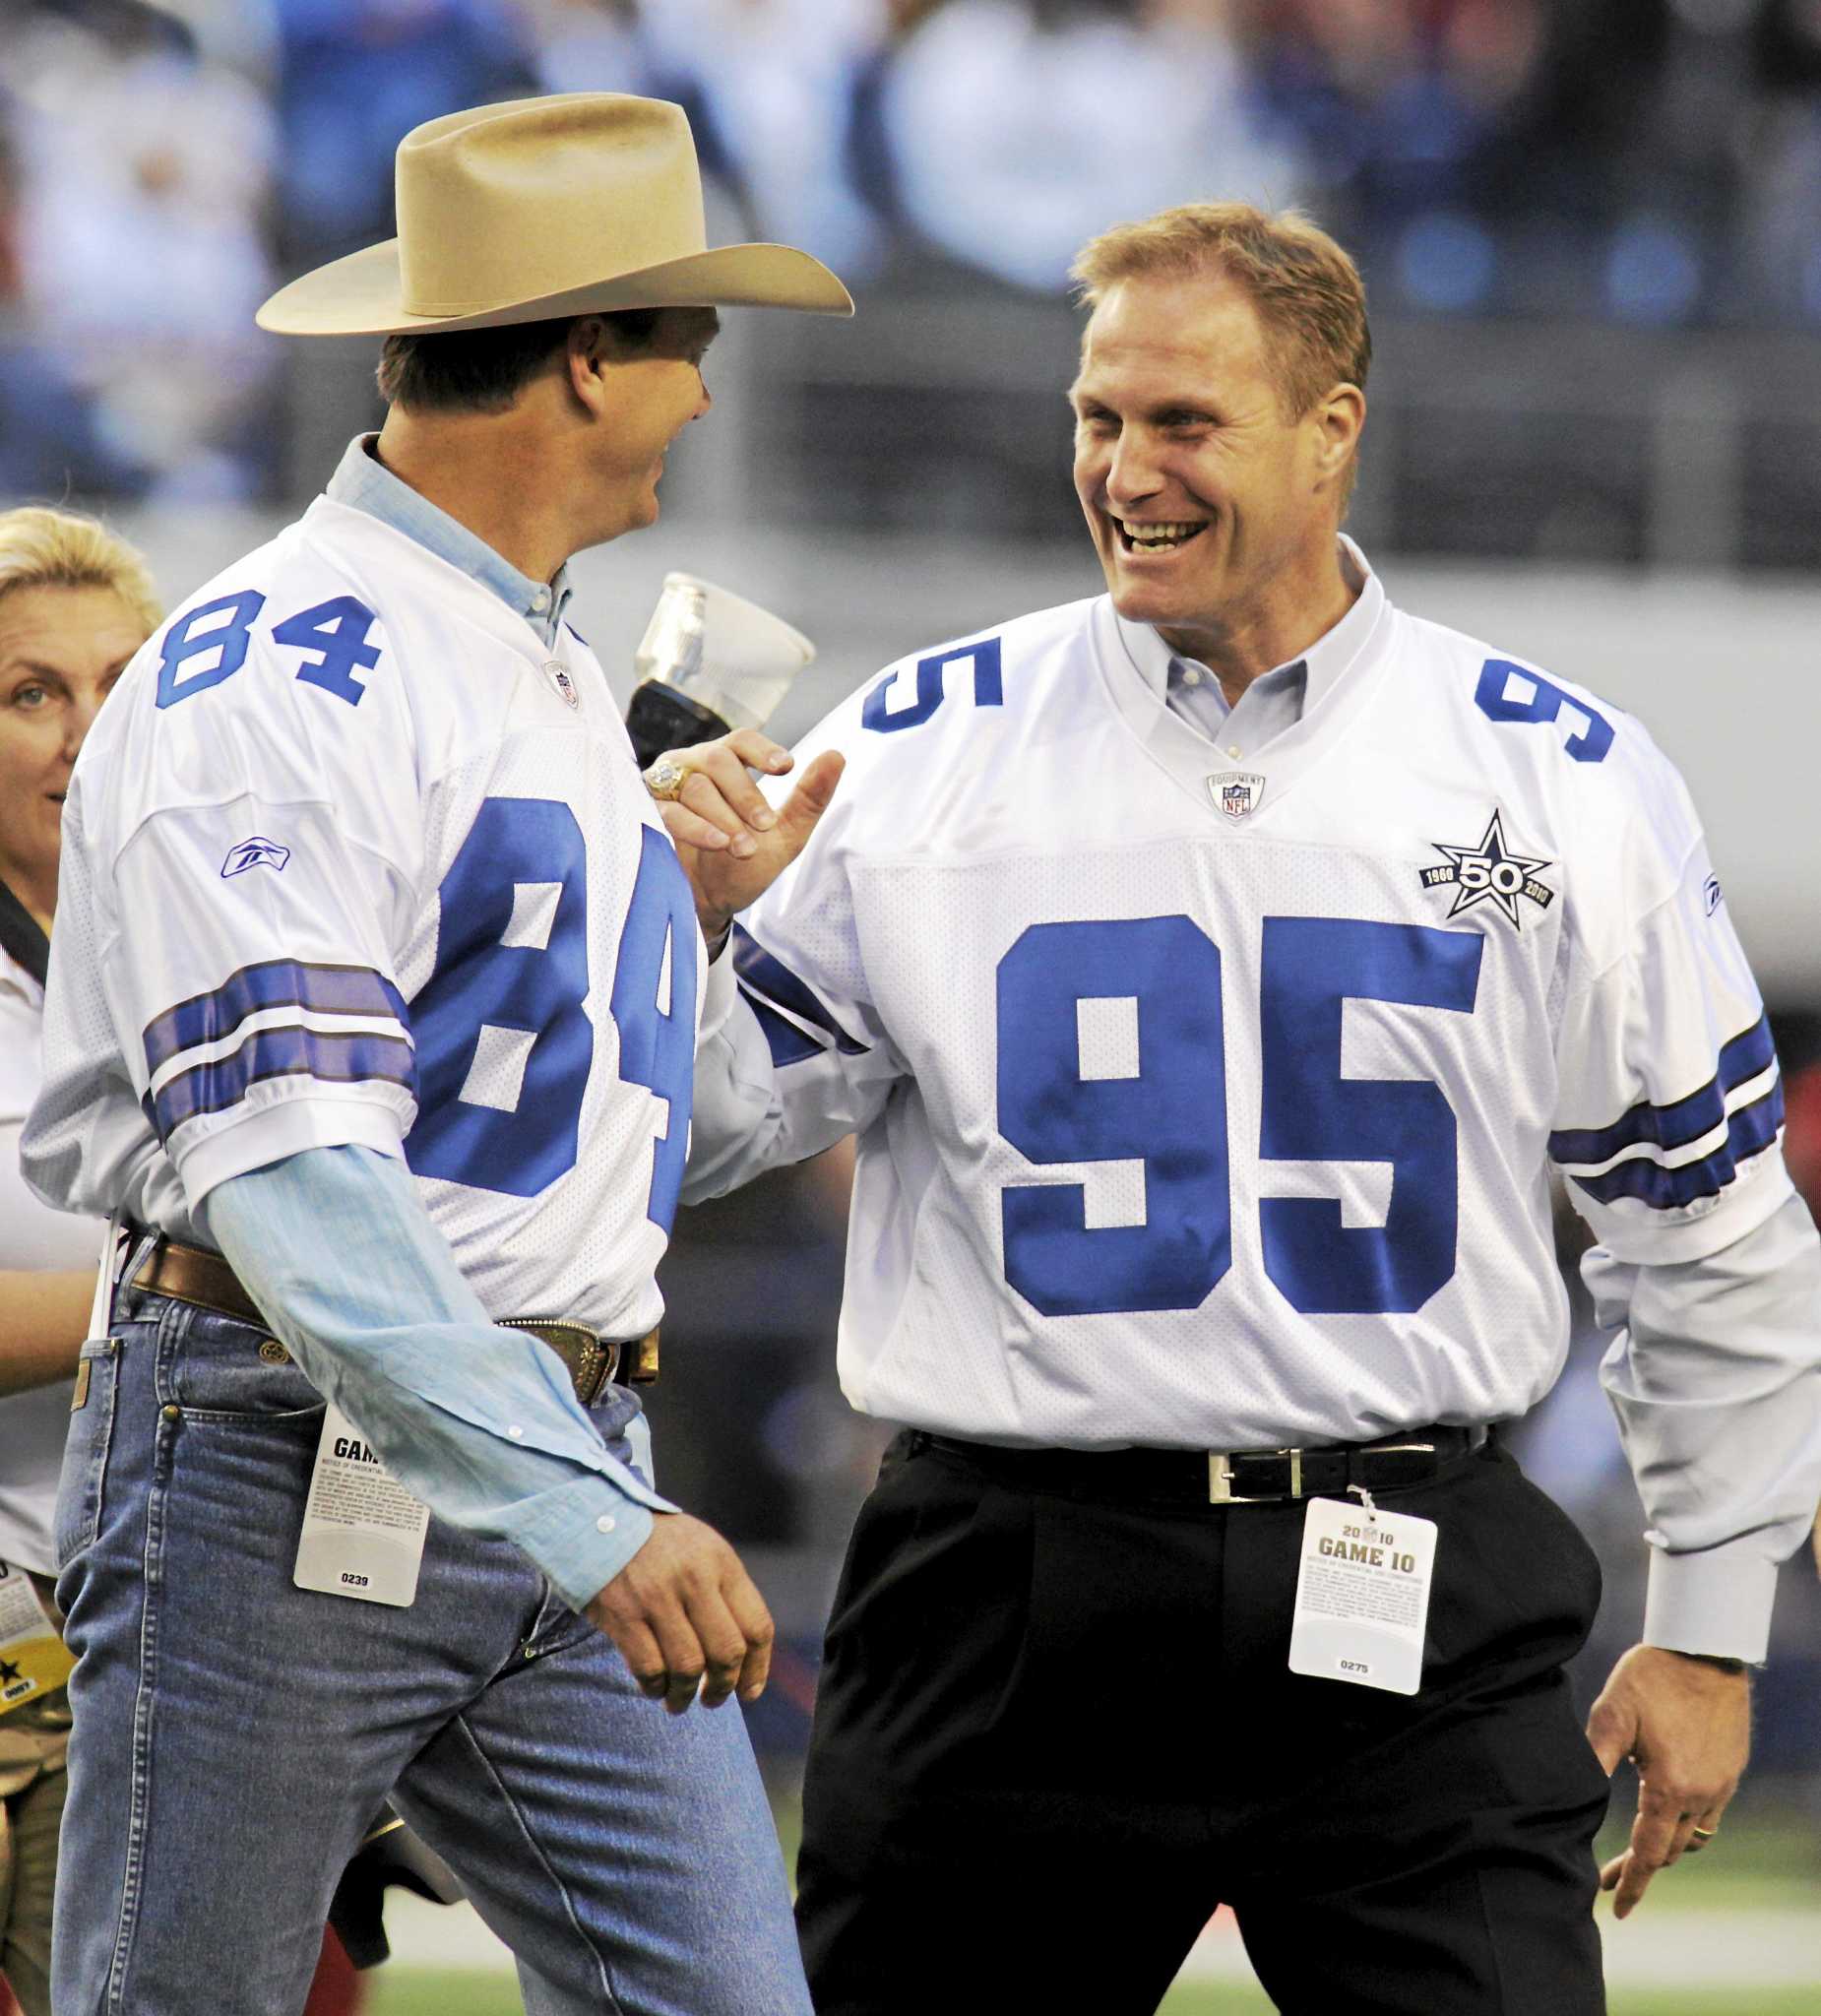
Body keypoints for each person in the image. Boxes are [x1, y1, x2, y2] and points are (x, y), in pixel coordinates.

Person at [667, 202, 1821, 2014]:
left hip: (1406, 1577)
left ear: (1331, 428)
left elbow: (1709, 1231)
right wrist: (685, 939)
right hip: (1005, 1591)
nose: (1124, 470)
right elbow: (702, 1130)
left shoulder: (1556, 774)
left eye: (1181, 423)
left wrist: (1708, 1624)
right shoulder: (908, 748)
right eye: (1096, 418)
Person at [21, 93, 850, 2016]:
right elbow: (289, 1173)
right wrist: (588, 1506)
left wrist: (700, 925)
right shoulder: (272, 668)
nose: (706, 401)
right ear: (585, 357)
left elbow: (656, 1149)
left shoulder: (546, 658)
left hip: (552, 1443)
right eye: (686, 346)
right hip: (275, 1447)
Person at [0, 507, 156, 2016]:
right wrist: (193, 1305)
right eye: (32, 693)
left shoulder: (211, 939)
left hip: (180, 1634)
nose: (85, 733)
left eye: (123, 684)